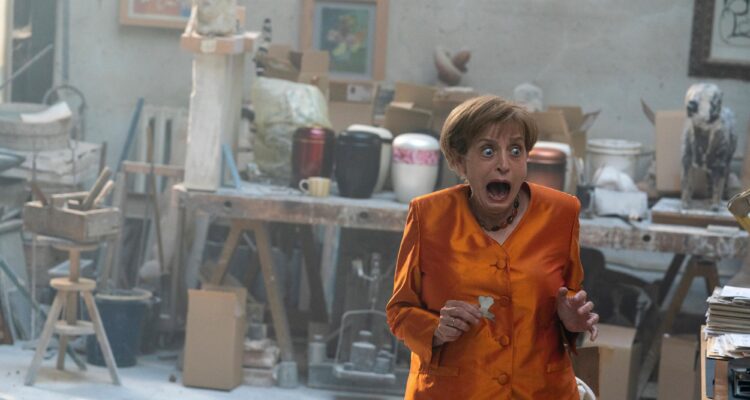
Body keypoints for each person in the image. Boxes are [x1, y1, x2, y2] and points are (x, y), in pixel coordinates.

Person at [385, 95, 599, 399]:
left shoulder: (562, 213)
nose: (503, 165)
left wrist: (573, 322)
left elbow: (571, 303)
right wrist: (435, 328)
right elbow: (399, 311)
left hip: (539, 391)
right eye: (488, 151)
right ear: (460, 161)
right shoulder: (428, 216)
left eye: (515, 150)